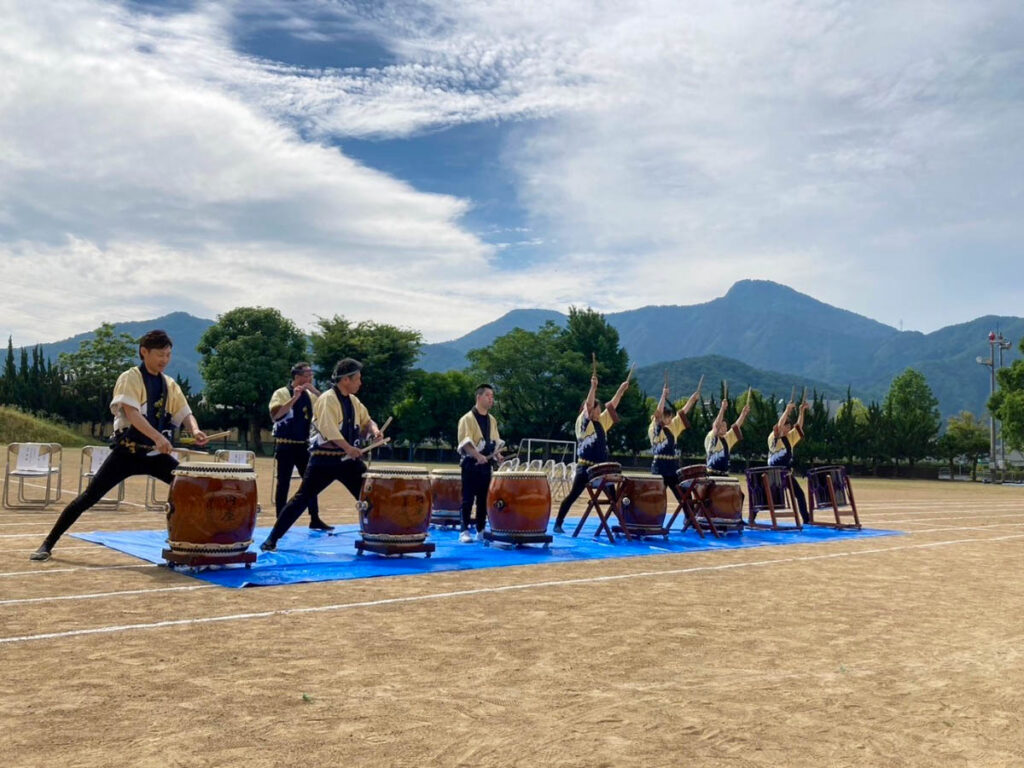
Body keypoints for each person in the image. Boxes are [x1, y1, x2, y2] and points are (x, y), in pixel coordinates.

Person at [30, 330, 208, 561]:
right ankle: (48, 543)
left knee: (188, 489)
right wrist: (158, 437)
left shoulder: (169, 384)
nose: (164, 360)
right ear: (144, 352)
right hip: (128, 453)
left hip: (155, 455)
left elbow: (186, 412)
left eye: (168, 355)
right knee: (88, 497)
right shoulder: (130, 377)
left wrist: (194, 430)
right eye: (160, 355)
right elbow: (131, 413)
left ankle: (184, 542)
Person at [259, 358, 382, 552]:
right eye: (357, 378)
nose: (361, 382)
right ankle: (272, 539)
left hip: (349, 462)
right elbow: (328, 430)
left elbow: (367, 421)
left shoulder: (354, 401)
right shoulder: (327, 399)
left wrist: (375, 432)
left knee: (370, 498)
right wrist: (348, 447)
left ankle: (380, 535)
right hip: (325, 460)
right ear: (345, 380)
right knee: (301, 499)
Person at [552, 372, 631, 534]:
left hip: (601, 469)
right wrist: (593, 387)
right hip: (585, 468)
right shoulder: (583, 422)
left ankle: (623, 524)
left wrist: (621, 390)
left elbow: (613, 405)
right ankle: (558, 522)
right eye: (597, 408)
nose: (599, 410)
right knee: (573, 495)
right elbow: (588, 405)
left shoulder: (600, 423)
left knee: (614, 497)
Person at [268, 362, 331, 531]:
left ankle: (315, 518)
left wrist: (316, 391)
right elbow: (276, 415)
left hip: (304, 446)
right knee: (283, 483)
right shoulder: (281, 393)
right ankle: (280, 520)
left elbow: (328, 404)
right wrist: (294, 398)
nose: (310, 378)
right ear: (297, 377)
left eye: (311, 375)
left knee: (311, 482)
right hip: (285, 445)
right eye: (307, 375)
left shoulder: (310, 395)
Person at [455, 384, 503, 543]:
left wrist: (498, 456)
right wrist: (477, 455)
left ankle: (481, 530)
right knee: (468, 498)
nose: (491, 399)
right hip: (470, 464)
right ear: (479, 397)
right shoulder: (466, 419)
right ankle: (464, 530)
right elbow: (465, 443)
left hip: (485, 466)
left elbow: (494, 442)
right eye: (488, 395)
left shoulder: (492, 420)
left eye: (492, 396)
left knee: (483, 499)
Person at [649, 382, 700, 502]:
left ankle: (690, 517)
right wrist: (663, 396)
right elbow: (658, 413)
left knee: (684, 495)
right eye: (668, 417)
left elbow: (684, 411)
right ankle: (654, 519)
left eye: (671, 417)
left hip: (672, 466)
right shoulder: (654, 426)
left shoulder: (673, 426)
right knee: (657, 497)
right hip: (659, 466)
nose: (670, 420)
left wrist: (692, 399)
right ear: (662, 417)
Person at [767, 397, 810, 522]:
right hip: (773, 474)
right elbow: (779, 426)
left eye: (789, 427)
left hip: (786, 474)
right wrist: (787, 410)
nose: (789, 429)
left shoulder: (789, 437)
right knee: (767, 498)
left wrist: (802, 412)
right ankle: (752, 517)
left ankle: (806, 519)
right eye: (787, 427)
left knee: (800, 494)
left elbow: (799, 427)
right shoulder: (773, 437)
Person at [704, 397, 750, 473]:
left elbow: (736, 426)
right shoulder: (711, 435)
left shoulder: (727, 437)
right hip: (712, 468)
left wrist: (743, 414)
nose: (723, 428)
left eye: (725, 426)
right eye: (721, 426)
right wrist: (722, 408)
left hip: (724, 470)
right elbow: (716, 425)